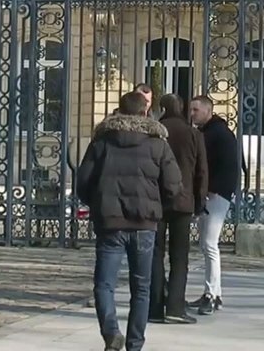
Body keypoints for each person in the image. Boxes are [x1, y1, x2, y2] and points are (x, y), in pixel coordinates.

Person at [76, 91, 182, 351]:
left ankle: (111, 332)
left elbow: (83, 182)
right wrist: (158, 207)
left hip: (110, 222)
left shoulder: (102, 141)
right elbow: (173, 185)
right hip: (145, 223)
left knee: (103, 284)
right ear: (145, 111)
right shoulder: (158, 143)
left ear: (119, 111)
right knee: (141, 287)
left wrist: (100, 205)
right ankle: (135, 344)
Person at [149, 94, 208, 325]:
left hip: (156, 200)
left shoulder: (156, 131)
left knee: (155, 254)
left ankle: (154, 307)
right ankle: (174, 306)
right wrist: (200, 202)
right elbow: (202, 171)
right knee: (179, 256)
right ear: (182, 108)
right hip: (183, 202)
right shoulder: (193, 134)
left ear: (162, 108)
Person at [187, 94, 240, 316]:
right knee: (206, 245)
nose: (191, 114)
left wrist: (211, 190)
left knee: (209, 245)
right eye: (190, 110)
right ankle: (214, 293)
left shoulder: (215, 134)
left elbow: (223, 166)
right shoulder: (214, 132)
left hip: (216, 194)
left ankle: (211, 294)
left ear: (208, 111)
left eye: (195, 110)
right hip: (216, 193)